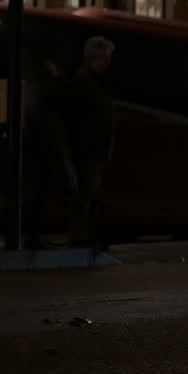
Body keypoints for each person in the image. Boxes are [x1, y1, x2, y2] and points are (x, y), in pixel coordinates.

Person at [24, 54, 76, 248]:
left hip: (42, 146)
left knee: (39, 192)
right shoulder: (47, 91)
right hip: (47, 145)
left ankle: (34, 233)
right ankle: (36, 234)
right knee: (46, 190)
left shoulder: (37, 90)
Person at [68, 36, 115, 249]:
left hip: (91, 147)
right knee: (87, 193)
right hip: (89, 148)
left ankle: (84, 235)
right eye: (105, 57)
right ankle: (82, 236)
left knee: (89, 193)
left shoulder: (87, 81)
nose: (107, 62)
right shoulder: (87, 83)